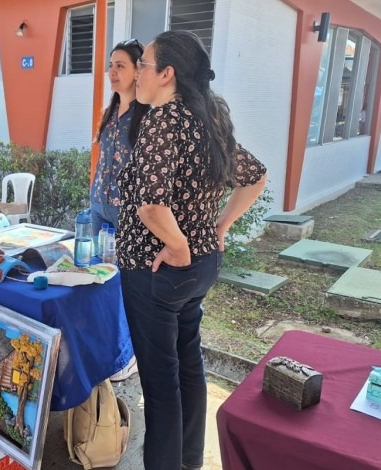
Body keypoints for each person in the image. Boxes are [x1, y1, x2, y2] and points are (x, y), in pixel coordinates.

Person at [117, 31, 267, 470]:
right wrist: (220, 227)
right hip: (200, 268)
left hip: (159, 270)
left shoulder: (163, 120)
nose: (138, 74)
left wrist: (178, 244)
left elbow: (150, 204)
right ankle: (188, 462)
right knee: (188, 366)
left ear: (167, 74)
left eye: (143, 65)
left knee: (161, 383)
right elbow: (255, 177)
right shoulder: (207, 117)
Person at [90, 39, 150, 234]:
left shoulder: (148, 118)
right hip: (98, 205)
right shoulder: (109, 113)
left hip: (128, 212)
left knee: (123, 265)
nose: (112, 72)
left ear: (137, 72)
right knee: (95, 264)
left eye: (120, 66)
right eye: (111, 65)